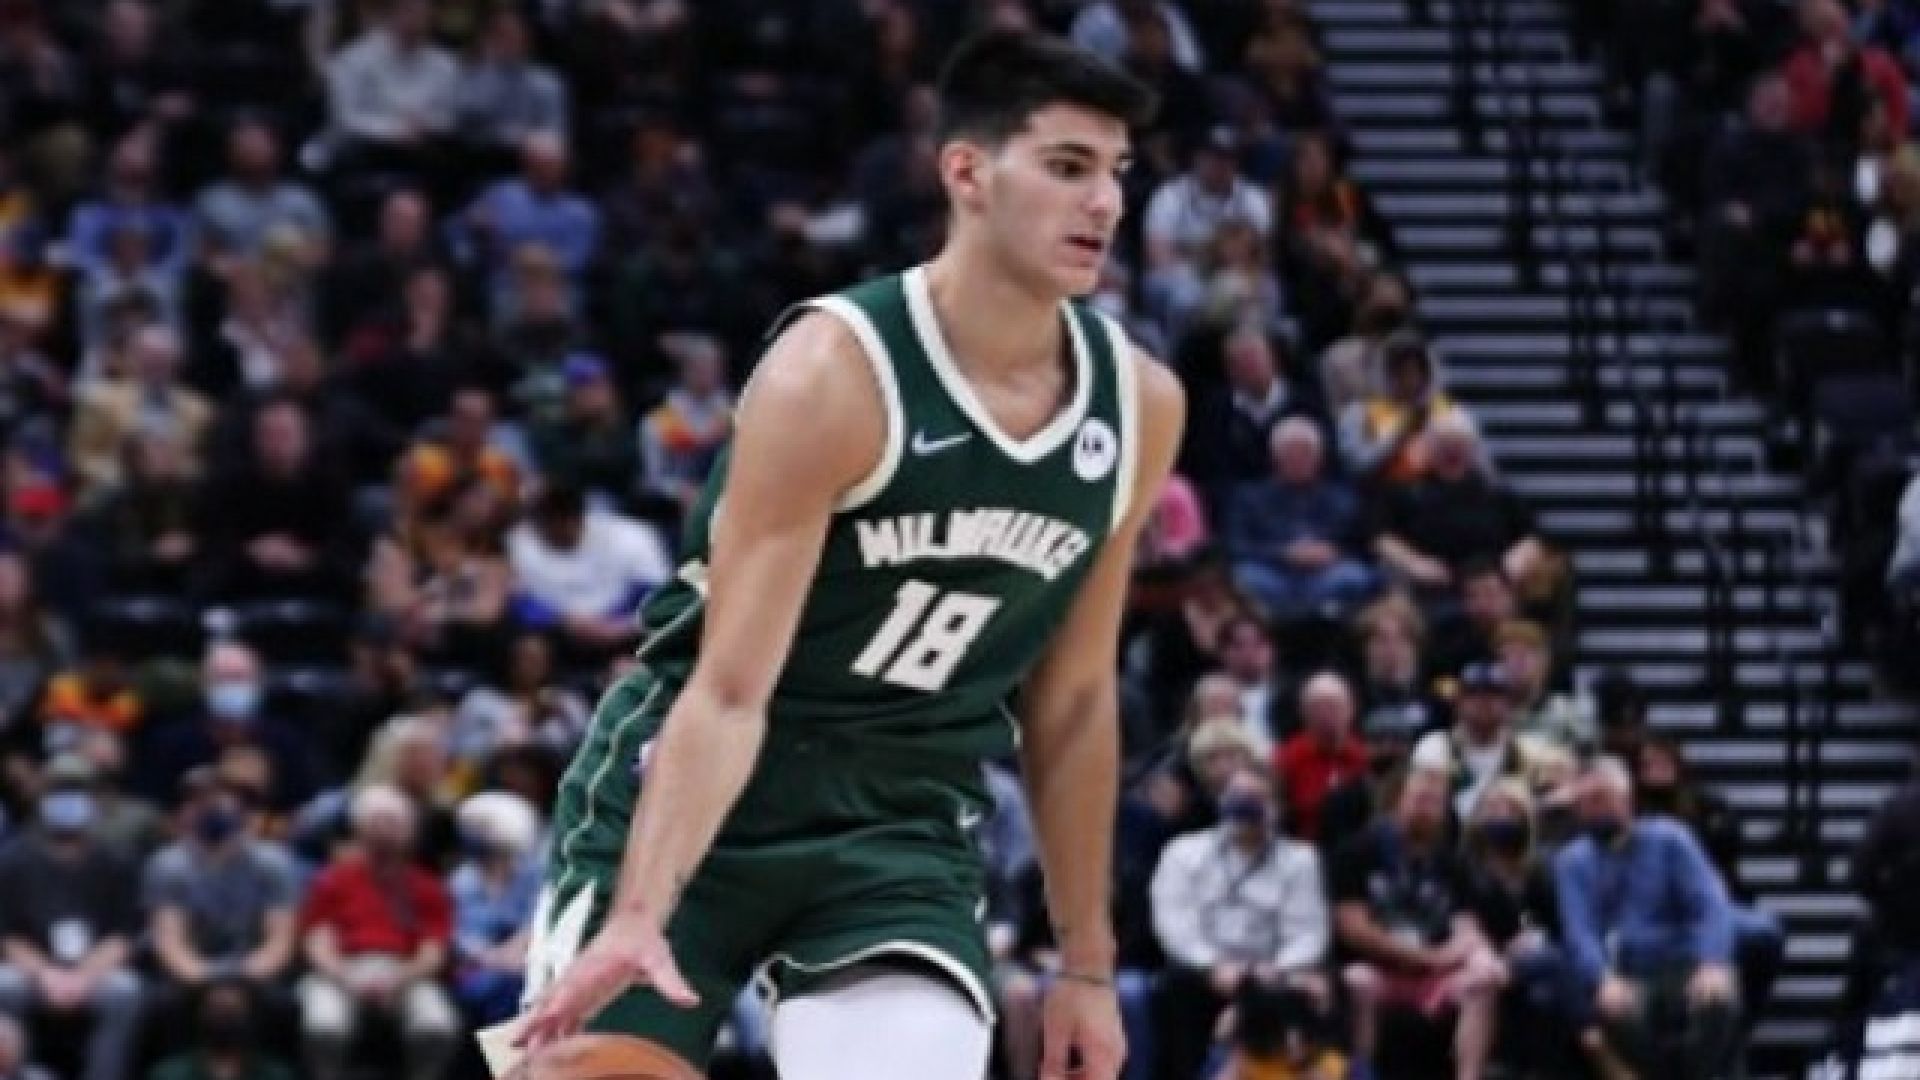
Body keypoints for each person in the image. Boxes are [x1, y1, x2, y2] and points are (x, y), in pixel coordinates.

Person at [512, 27, 1181, 1080]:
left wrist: (1087, 966)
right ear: (967, 173)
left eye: (1117, 172)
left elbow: (1076, 696)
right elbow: (729, 692)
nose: (1104, 202)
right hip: (695, 793)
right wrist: (639, 911)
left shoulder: (1140, 403)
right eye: (1067, 166)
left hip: (898, 819)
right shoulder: (830, 374)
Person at [1554, 758, 1741, 1080]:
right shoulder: (1572, 861)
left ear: (1626, 800)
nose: (1591, 809)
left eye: (1599, 799)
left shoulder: (1671, 840)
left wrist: (1712, 961)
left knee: (1718, 997)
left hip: (1683, 961)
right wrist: (1602, 978)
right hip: (1625, 970)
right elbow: (1579, 932)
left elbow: (1710, 904)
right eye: (1582, 803)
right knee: (1614, 1009)